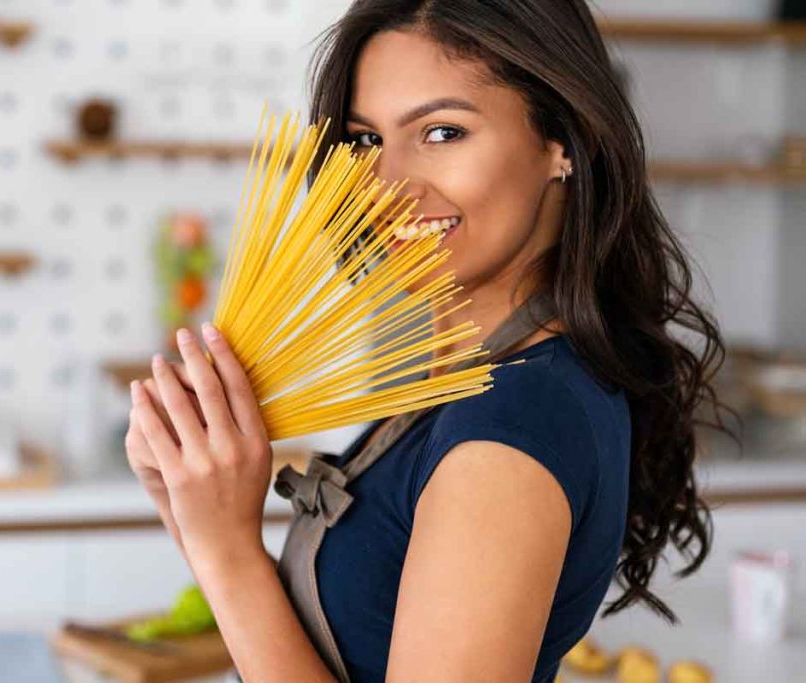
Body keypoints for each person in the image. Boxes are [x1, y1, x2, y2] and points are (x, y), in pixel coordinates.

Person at [125, 1, 728, 680]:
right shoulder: (471, 380)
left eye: (442, 132)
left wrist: (228, 548)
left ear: (563, 142)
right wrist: (193, 509)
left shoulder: (507, 434)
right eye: (364, 142)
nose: (386, 188)